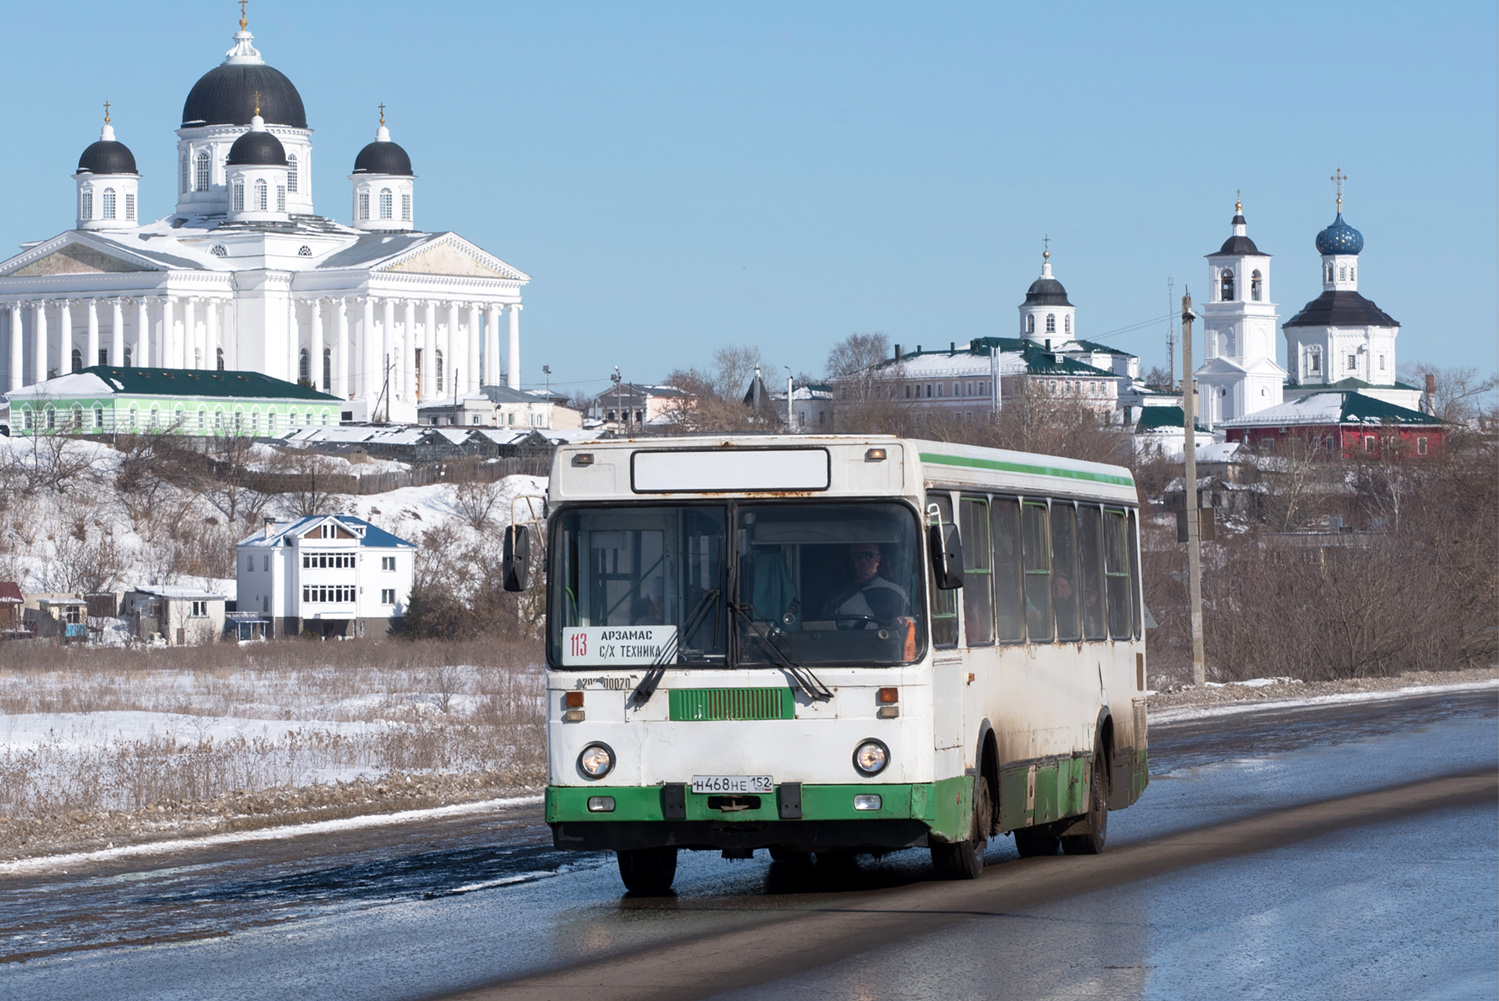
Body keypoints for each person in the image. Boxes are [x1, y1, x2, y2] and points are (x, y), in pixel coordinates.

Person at [822, 543, 909, 626]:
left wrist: (900, 622)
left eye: (869, 555)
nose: (863, 560)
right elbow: (824, 629)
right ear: (853, 560)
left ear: (878, 559)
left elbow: (911, 624)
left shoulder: (895, 593)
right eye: (858, 556)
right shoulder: (837, 596)